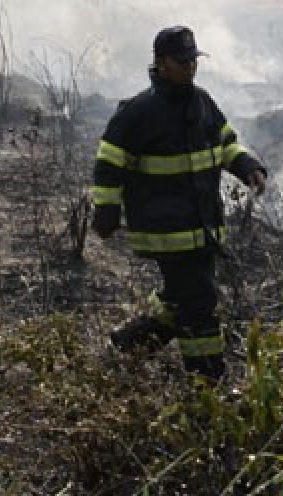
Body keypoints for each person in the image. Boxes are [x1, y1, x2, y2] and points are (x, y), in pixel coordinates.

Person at [92, 25, 267, 381]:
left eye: (194, 60)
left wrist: (247, 166)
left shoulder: (202, 102)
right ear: (161, 63)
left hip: (202, 228)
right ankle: (207, 383)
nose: (191, 67)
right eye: (182, 61)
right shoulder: (139, 112)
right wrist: (107, 210)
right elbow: (109, 161)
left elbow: (225, 140)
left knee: (180, 301)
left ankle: (126, 346)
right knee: (200, 305)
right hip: (165, 231)